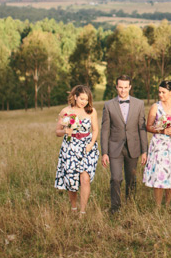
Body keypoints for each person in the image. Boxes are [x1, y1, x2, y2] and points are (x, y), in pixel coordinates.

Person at [101, 75, 148, 214]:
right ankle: (115, 208)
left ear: (130, 87)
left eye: (125, 87)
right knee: (115, 178)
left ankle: (130, 206)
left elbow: (142, 127)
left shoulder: (139, 104)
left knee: (131, 179)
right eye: (120, 87)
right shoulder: (108, 105)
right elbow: (105, 130)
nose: (123, 90)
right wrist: (104, 152)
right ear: (116, 87)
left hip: (133, 147)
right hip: (114, 148)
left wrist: (144, 150)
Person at [54, 85, 100, 214]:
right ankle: (74, 207)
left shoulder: (91, 111)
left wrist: (91, 144)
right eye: (82, 99)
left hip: (87, 147)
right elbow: (57, 132)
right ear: (75, 97)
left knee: (85, 178)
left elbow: (95, 130)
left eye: (86, 99)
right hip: (70, 147)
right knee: (72, 180)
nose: (84, 102)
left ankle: (82, 211)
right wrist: (65, 131)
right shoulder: (65, 111)